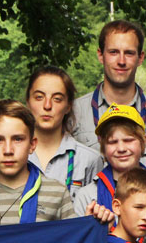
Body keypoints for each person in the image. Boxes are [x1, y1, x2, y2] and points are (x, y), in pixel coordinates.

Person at [0, 100, 113, 228]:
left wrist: (90, 225)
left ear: (32, 144)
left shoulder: (56, 193)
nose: (8, 150)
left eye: (18, 139)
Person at [23, 66, 103, 201]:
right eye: (39, 97)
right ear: (28, 102)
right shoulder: (7, 155)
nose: (47, 106)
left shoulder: (89, 160)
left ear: (68, 106)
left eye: (57, 99)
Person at [72, 20, 146, 150]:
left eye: (129, 53)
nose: (121, 61)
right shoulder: (75, 112)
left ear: (140, 58)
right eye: (113, 52)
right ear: (100, 55)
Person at [74, 105, 146, 216]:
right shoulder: (87, 197)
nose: (121, 149)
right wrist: (89, 224)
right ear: (103, 147)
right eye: (112, 142)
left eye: (128, 140)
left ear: (143, 142)